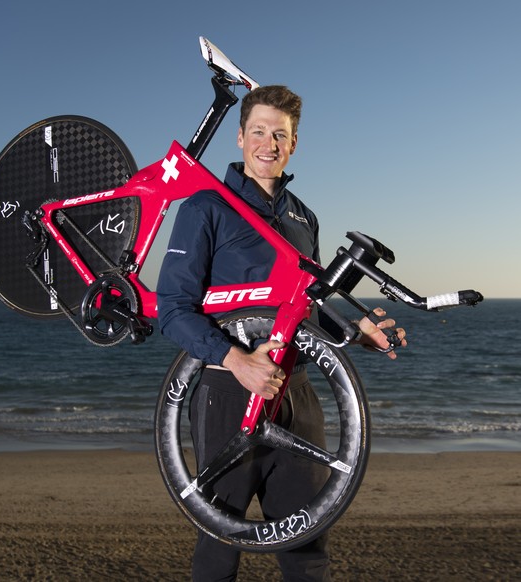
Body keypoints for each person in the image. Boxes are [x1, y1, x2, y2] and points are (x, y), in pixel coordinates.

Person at [157, 85, 406, 581]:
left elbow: (305, 312)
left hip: (297, 393)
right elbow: (172, 310)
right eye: (258, 132)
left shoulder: (302, 217)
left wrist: (354, 333)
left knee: (306, 543)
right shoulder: (206, 207)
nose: (268, 144)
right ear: (239, 137)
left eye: (280, 134)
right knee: (219, 544)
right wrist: (237, 361)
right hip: (228, 392)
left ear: (294, 144)